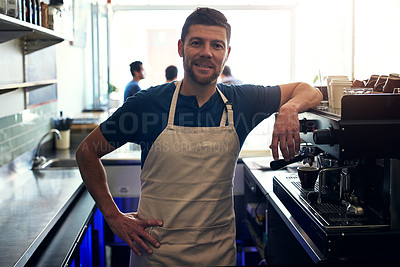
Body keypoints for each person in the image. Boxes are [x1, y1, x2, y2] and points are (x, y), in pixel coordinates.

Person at [76, 7, 322, 266]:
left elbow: (309, 90)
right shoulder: (147, 104)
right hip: (154, 255)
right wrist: (113, 216)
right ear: (181, 47)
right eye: (197, 43)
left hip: (217, 255)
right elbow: (86, 152)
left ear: (226, 54)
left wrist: (289, 108)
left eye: (217, 45)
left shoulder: (242, 102)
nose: (207, 52)